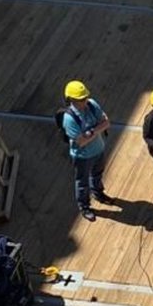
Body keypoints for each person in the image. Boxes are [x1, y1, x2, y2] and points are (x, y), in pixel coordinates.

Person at [61, 79, 114, 221]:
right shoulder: (69, 119)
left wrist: (90, 132)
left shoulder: (91, 104)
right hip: (82, 157)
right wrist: (98, 128)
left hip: (99, 150)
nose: (84, 101)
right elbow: (81, 142)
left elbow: (107, 122)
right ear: (71, 99)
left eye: (84, 97)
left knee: (97, 174)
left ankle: (98, 192)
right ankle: (84, 207)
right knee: (82, 183)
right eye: (80, 99)